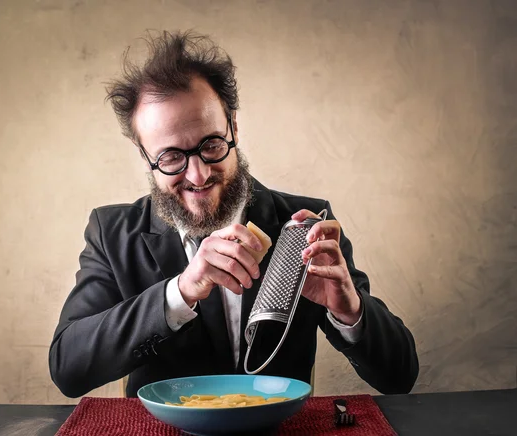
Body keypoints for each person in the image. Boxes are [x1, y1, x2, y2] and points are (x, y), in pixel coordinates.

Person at [49, 31, 419, 398]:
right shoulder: (111, 232)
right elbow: (68, 368)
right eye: (171, 157)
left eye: (211, 144)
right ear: (143, 154)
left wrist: (350, 311)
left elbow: (400, 377)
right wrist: (179, 292)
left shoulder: (304, 225)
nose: (198, 175)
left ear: (234, 127)